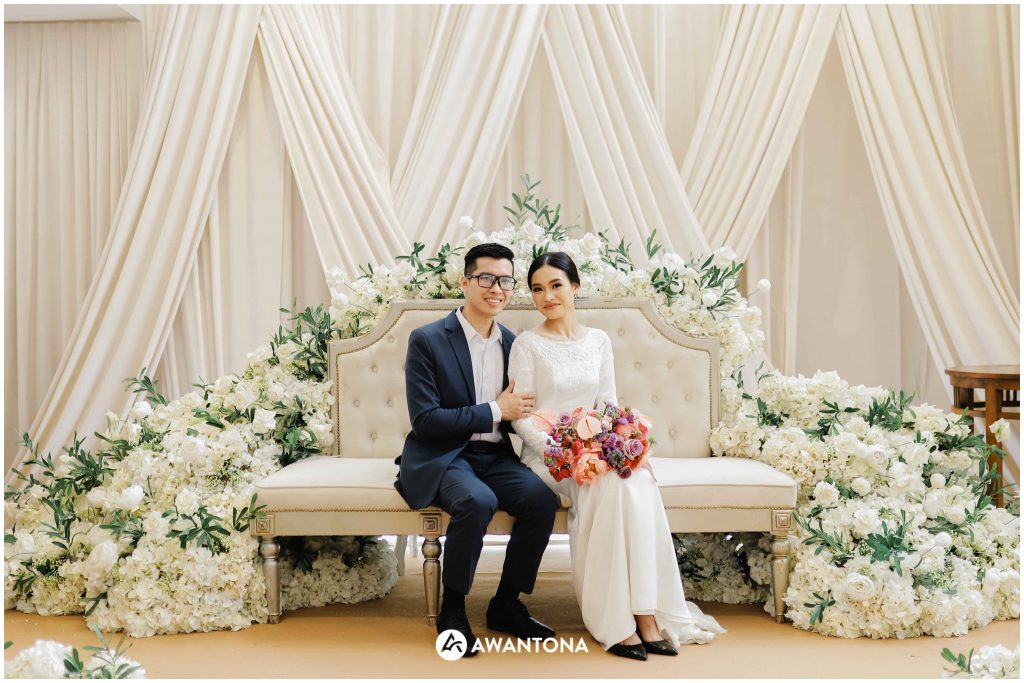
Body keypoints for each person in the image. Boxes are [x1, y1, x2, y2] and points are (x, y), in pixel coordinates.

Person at [508, 251, 726, 660]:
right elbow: (521, 418)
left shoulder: (598, 341)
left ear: (575, 287)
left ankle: (646, 613)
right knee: (607, 482)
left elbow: (607, 404)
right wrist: (565, 453)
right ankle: (617, 622)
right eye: (537, 289)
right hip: (549, 458)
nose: (547, 296)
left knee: (635, 478)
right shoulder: (527, 345)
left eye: (556, 285)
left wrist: (617, 446)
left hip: (595, 449)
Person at [395, 243, 559, 657]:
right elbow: (425, 420)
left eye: (505, 280)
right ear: (465, 282)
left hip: (496, 455)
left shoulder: (513, 343)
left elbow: (521, 410)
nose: (496, 289)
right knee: (476, 501)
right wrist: (495, 410)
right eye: (486, 278)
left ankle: (506, 603)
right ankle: (453, 608)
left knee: (541, 499)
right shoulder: (428, 340)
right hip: (445, 456)